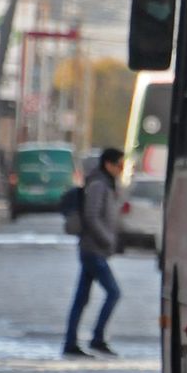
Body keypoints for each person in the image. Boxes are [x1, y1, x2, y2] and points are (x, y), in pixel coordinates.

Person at [63, 147, 123, 357]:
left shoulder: (104, 183)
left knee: (81, 298)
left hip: (92, 248)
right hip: (93, 249)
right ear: (108, 164)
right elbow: (92, 216)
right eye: (119, 165)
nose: (121, 169)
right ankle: (96, 338)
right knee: (114, 292)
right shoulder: (99, 184)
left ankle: (71, 342)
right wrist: (107, 239)